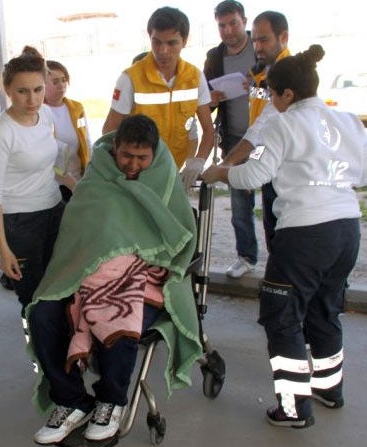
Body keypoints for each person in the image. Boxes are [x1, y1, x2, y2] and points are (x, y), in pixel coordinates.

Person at [201, 45, 367, 428]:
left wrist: (219, 173)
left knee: (283, 319)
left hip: (304, 236)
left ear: (287, 95)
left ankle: (293, 409)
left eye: (271, 95)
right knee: (325, 310)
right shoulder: (349, 121)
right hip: (346, 230)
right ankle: (329, 389)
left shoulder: (284, 123)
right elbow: (366, 173)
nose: (270, 102)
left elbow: (252, 176)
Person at [26, 115, 201, 444]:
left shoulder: (163, 177)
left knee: (119, 315)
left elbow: (178, 237)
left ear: (153, 155)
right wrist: (96, 267)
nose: (132, 165)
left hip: (144, 276)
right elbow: (78, 234)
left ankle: (111, 400)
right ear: (115, 149)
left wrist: (134, 264)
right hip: (85, 272)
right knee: (42, 314)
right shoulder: (97, 177)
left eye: (141, 158)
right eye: (126, 156)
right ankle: (72, 401)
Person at [0, 46, 65, 316]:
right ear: (7, 89)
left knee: (63, 288)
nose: (32, 99)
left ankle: (69, 353)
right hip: (21, 222)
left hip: (54, 209)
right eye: (22, 91)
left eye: (38, 89)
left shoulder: (46, 115)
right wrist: (3, 249)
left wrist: (72, 183)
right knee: (34, 300)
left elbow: (47, 163)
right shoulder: (1, 132)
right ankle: (40, 358)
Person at [101, 7, 214, 190]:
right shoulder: (130, 79)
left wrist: (198, 161)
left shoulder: (195, 77)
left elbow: (208, 130)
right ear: (149, 37)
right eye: (157, 42)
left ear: (184, 41)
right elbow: (109, 131)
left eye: (172, 43)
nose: (163, 51)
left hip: (174, 173)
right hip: (138, 176)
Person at [223, 11, 290, 252]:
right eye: (255, 41)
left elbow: (262, 126)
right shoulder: (261, 71)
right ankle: (252, 260)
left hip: (274, 154)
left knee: (277, 220)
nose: (258, 46)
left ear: (283, 37)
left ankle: (279, 278)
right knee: (267, 217)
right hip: (262, 147)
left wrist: (228, 164)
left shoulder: (287, 72)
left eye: (264, 40)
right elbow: (264, 107)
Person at [204, 1, 258, 278]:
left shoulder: (259, 48)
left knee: (275, 199)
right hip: (234, 141)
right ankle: (247, 257)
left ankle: (282, 261)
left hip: (265, 142)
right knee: (240, 201)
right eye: (222, 25)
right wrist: (211, 100)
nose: (228, 30)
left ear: (244, 21)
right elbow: (205, 101)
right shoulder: (215, 57)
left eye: (233, 23)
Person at [44, 60, 92, 201]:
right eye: (55, 81)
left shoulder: (77, 108)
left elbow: (87, 141)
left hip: (79, 179)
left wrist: (88, 172)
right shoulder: (39, 112)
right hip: (54, 184)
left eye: (64, 80)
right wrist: (70, 183)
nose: (62, 85)